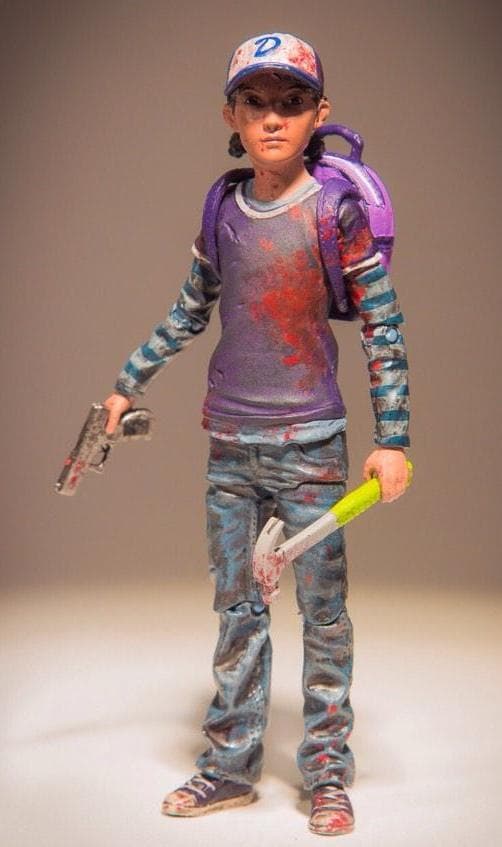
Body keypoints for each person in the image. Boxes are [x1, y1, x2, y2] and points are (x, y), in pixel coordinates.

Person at [104, 32, 410, 837]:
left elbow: (382, 327)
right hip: (231, 448)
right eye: (256, 102)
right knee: (238, 609)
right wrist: (127, 382)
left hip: (314, 446)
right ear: (231, 115)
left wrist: (394, 437)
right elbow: (188, 309)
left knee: (325, 615)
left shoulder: (337, 211)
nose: (273, 119)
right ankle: (231, 765)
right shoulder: (222, 209)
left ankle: (328, 772)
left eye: (292, 102)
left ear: (319, 113)